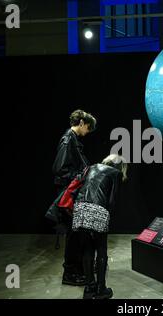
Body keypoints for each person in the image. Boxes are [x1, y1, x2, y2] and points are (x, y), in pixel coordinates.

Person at [72, 154, 128, 299]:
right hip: (98, 209)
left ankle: (89, 288)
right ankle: (101, 289)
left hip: (80, 208)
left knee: (87, 249)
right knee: (101, 249)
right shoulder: (116, 173)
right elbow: (112, 200)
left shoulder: (92, 167)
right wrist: (108, 218)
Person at [52, 109, 97, 286]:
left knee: (77, 234)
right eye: (88, 127)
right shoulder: (67, 140)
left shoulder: (73, 140)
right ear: (81, 123)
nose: (88, 132)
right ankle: (69, 274)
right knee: (73, 235)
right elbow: (59, 169)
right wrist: (78, 177)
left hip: (72, 193)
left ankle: (77, 269)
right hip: (68, 194)